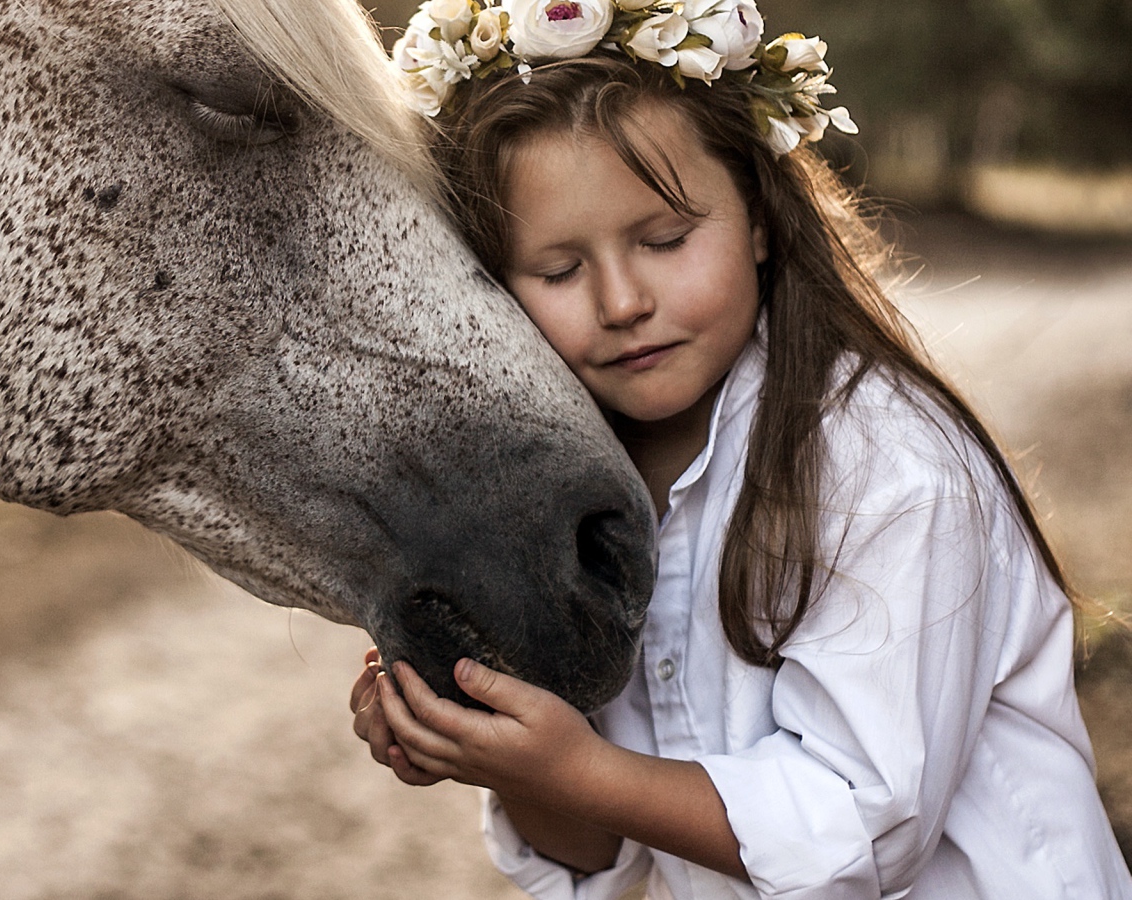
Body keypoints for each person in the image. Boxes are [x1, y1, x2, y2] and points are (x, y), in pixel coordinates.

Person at [350, 2, 1132, 898]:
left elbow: (861, 830)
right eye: (559, 270)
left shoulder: (889, 468)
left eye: (666, 240)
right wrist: (495, 749)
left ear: (759, 217)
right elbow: (600, 857)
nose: (622, 302)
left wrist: (580, 771)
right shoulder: (573, 503)